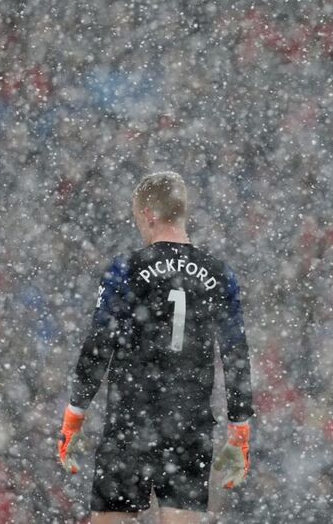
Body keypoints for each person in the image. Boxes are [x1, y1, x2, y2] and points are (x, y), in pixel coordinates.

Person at [57, 171, 255, 524]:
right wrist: (239, 430)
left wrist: (75, 413)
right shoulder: (219, 274)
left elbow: (99, 343)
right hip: (189, 424)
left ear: (148, 213)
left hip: (131, 419)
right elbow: (236, 353)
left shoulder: (127, 269)